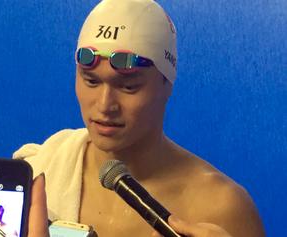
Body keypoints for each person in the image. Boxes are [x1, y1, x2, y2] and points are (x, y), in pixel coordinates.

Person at [14, 0, 266, 236]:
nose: (104, 105)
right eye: (91, 81)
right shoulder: (39, 174)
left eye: (128, 87)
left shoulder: (221, 209)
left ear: (167, 84)